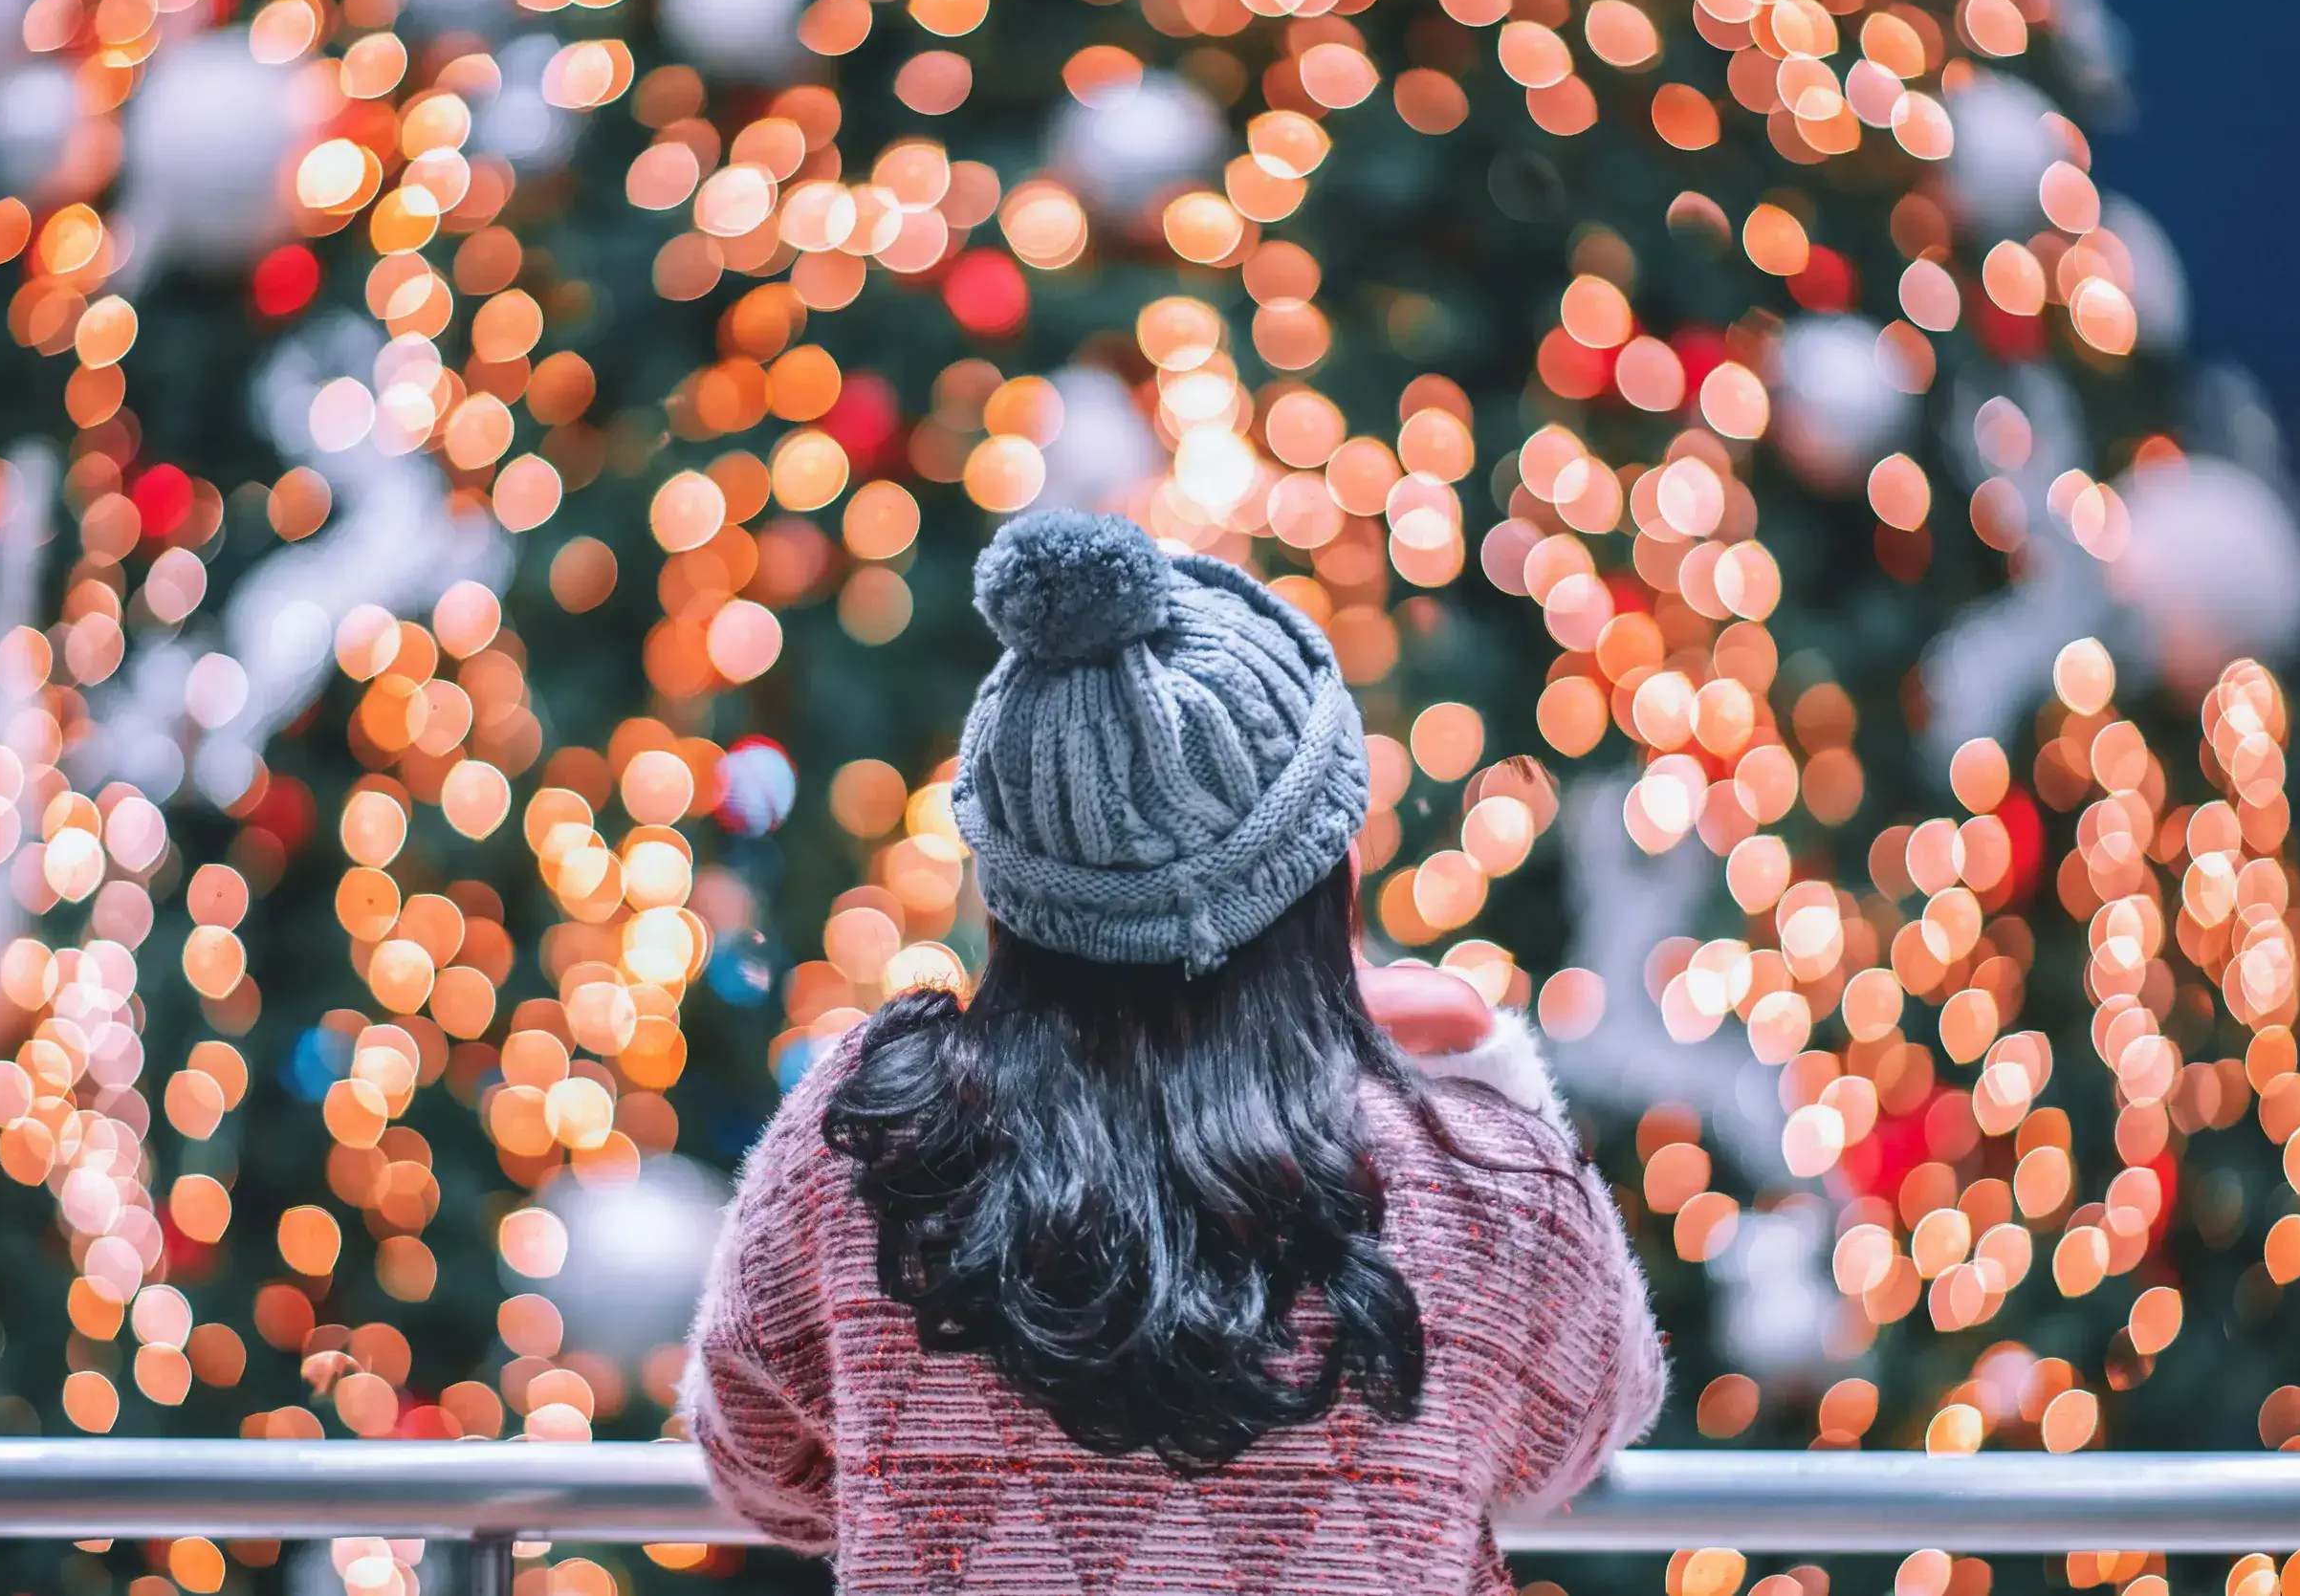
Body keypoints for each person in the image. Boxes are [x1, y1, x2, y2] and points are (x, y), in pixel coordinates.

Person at [687, 511, 1663, 1591]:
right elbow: (1572, 1435)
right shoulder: (1475, 1176)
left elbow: (756, 1461)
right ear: (1325, 870)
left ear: (1007, 880)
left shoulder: (867, 1142)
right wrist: (1486, 1072)